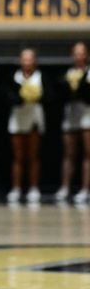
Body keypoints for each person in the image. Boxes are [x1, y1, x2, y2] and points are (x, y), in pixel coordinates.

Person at [5, 48, 45, 207]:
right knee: (18, 156)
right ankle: (16, 188)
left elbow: (48, 96)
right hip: (17, 117)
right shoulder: (14, 77)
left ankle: (34, 189)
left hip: (34, 117)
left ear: (34, 61)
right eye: (24, 59)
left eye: (30, 59)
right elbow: (8, 96)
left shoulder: (40, 77)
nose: (27, 62)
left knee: (33, 155)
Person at [56, 41, 90, 205]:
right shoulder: (67, 73)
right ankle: (65, 187)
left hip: (87, 113)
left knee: (87, 153)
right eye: (76, 53)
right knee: (69, 153)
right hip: (71, 113)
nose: (79, 56)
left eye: (82, 52)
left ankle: (85, 189)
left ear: (87, 55)